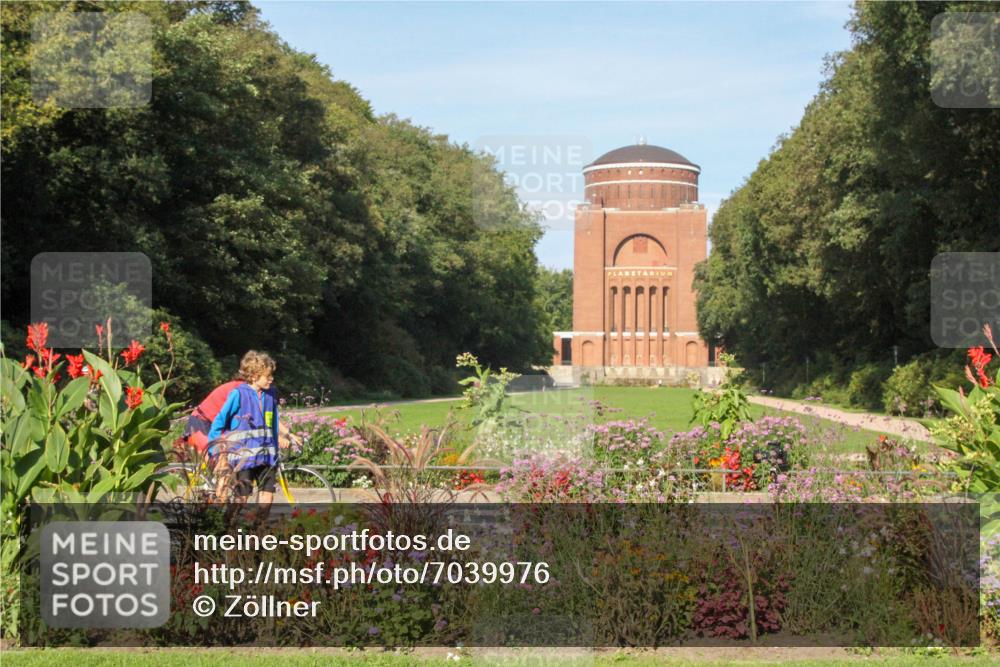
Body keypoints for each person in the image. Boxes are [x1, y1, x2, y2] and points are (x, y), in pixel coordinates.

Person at [208, 351, 282, 504]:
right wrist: (215, 452)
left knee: (267, 498)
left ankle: (258, 527)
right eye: (268, 376)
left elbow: (273, 424)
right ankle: (233, 527)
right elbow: (218, 423)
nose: (271, 379)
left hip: (267, 456)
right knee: (241, 499)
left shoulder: (271, 395)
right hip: (243, 458)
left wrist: (277, 445)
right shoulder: (238, 394)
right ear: (255, 376)